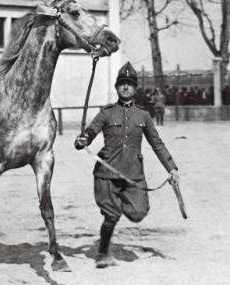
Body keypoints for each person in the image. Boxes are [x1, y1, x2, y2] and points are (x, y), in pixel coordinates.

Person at [74, 61, 180, 268]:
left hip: (132, 175)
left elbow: (157, 143)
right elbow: (90, 132)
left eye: (129, 84)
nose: (125, 87)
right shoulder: (106, 113)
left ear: (135, 88)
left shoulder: (144, 116)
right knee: (111, 215)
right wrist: (82, 140)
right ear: (116, 88)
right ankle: (103, 253)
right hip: (106, 173)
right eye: (122, 84)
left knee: (138, 213)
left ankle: (116, 205)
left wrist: (172, 168)